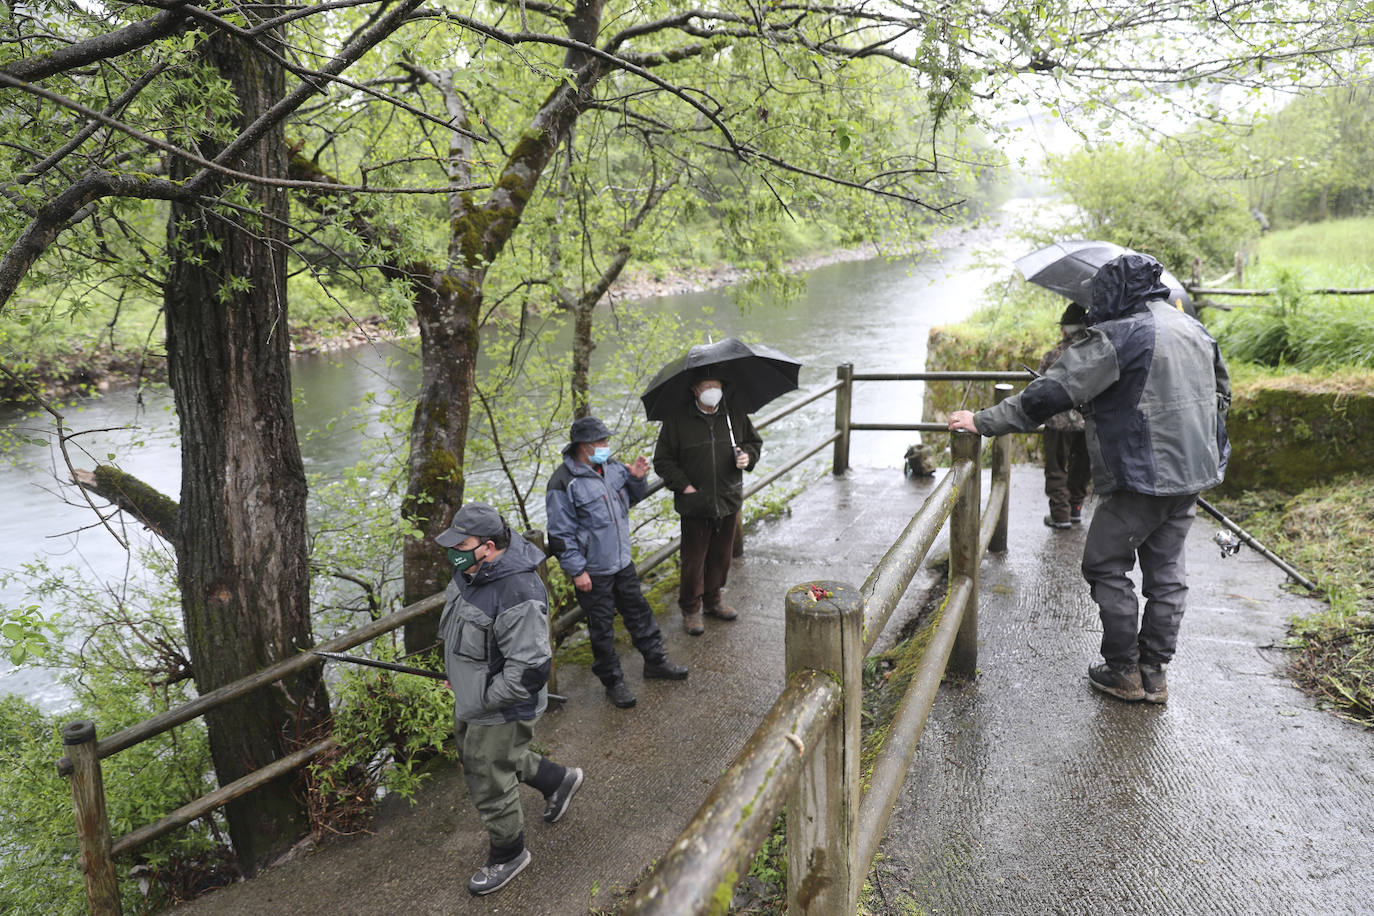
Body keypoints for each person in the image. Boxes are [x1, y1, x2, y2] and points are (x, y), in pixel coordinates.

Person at [949, 253, 1230, 705]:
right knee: (1167, 575)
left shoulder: (1122, 335)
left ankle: (1123, 669)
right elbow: (1221, 395)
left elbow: (1049, 394)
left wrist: (982, 421)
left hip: (1140, 477)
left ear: (1115, 291)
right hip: (1193, 474)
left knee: (1103, 563)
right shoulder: (1192, 328)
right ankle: (1155, 673)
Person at [435, 502, 584, 896]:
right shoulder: (471, 571)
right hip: (473, 695)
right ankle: (558, 780)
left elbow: (530, 669)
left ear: (487, 546)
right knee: (488, 756)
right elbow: (466, 637)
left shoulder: (518, 591)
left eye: (460, 543)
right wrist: (459, 677)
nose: (452, 550)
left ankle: (509, 853)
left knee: (488, 775)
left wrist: (483, 694)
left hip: (499, 707)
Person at [545, 416, 689, 709]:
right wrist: (577, 571)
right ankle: (613, 682)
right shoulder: (563, 482)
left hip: (622, 562)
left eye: (606, 441)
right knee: (601, 628)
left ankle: (655, 661)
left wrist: (636, 477)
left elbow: (633, 498)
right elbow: (560, 533)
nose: (607, 446)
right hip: (592, 571)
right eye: (601, 442)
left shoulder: (612, 468)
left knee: (639, 612)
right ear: (583, 446)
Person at [653, 372, 763, 635]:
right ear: (695, 390)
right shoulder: (677, 420)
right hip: (695, 503)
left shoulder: (733, 414)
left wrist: (747, 457)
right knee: (693, 561)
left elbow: (754, 442)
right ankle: (691, 609)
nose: (713, 390)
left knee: (721, 557)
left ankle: (714, 600)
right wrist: (685, 486)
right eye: (707, 386)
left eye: (717, 385)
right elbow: (663, 461)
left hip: (727, 498)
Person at [1039, 303, 1092, 529]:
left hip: (1057, 423)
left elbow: (1039, 388)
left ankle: (1061, 515)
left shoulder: (1053, 356)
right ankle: (1076, 509)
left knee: (1057, 468)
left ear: (1064, 330)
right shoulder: (1096, 354)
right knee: (1081, 467)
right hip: (1088, 422)